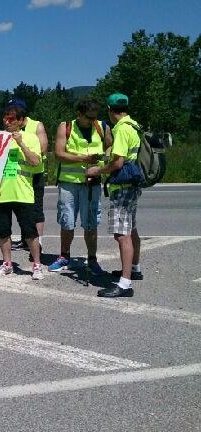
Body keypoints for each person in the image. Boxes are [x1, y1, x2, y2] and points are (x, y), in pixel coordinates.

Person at [86, 93, 142, 298]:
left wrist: (96, 171)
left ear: (110, 110)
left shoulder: (121, 130)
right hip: (133, 184)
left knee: (122, 234)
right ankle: (134, 268)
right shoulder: (135, 126)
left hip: (123, 187)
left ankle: (124, 285)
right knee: (132, 228)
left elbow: (117, 163)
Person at [49, 98, 112, 275]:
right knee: (67, 221)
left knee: (91, 223)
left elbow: (110, 146)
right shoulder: (66, 126)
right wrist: (83, 159)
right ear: (79, 114)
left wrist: (102, 161)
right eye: (88, 117)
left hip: (92, 182)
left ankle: (92, 259)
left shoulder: (102, 126)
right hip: (69, 183)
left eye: (94, 117)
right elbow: (59, 154)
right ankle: (64, 256)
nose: (92, 120)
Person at [0, 104, 44, 280]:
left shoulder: (31, 137)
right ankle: (7, 263)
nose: (7, 121)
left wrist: (20, 142)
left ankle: (37, 264)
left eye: (12, 118)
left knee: (30, 232)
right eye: (5, 118)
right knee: (3, 231)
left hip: (23, 192)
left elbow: (35, 161)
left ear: (21, 121)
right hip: (2, 193)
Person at [6, 99, 49, 252]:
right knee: (20, 209)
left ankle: (38, 242)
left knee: (36, 209)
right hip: (15, 174)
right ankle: (26, 239)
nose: (10, 116)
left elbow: (43, 148)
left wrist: (27, 145)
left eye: (14, 112)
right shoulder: (9, 126)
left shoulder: (36, 125)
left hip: (34, 173)